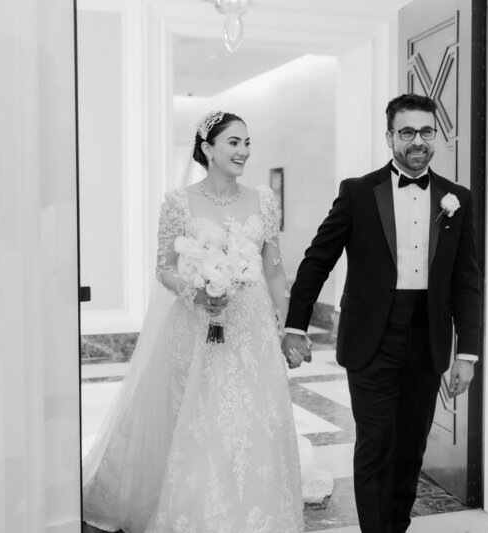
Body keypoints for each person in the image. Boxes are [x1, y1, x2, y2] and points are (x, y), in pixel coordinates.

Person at [82, 111, 313, 532]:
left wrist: (289, 328)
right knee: (197, 416)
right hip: (195, 326)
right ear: (207, 149)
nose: (244, 151)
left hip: (252, 329)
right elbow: (164, 267)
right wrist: (198, 291)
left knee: (256, 418)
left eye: (247, 142)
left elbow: (276, 270)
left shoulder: (262, 200)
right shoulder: (178, 202)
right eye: (233, 142)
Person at [281, 93, 483, 533]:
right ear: (389, 136)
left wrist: (467, 353)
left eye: (426, 131)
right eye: (407, 131)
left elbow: (468, 280)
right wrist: (295, 325)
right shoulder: (358, 192)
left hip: (428, 337)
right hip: (371, 334)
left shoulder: (457, 199)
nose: (417, 141)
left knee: (411, 447)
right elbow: (319, 259)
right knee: (376, 443)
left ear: (437, 136)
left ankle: (396, 526)